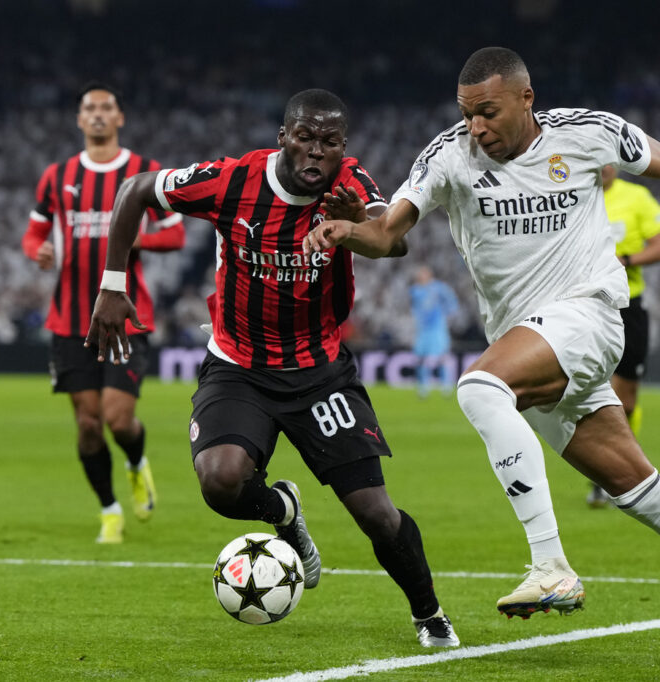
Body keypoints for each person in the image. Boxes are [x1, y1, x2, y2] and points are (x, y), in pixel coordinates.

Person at [303, 48, 660, 644]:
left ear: (526, 98)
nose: (476, 126)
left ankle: (550, 565)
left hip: (589, 315)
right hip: (528, 342)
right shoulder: (449, 155)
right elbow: (386, 233)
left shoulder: (585, 133)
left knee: (479, 388)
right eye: (467, 113)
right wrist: (349, 230)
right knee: (640, 493)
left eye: (488, 112)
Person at [85, 89, 459, 648]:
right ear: (284, 137)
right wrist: (113, 285)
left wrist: (352, 226)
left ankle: (429, 615)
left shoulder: (350, 183)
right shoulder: (230, 181)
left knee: (375, 514)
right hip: (238, 366)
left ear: (343, 147)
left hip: (319, 372)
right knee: (221, 481)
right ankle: (283, 509)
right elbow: (135, 189)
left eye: (329, 142)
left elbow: (392, 242)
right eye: (304, 137)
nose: (316, 151)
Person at [23, 82, 185, 544]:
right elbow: (33, 234)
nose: (97, 114)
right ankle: (110, 510)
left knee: (118, 419)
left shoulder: (145, 171)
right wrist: (37, 251)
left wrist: (138, 239)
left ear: (119, 118)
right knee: (88, 424)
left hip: (124, 315)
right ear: (79, 119)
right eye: (89, 108)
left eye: (105, 107)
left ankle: (136, 462)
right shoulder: (57, 176)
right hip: (69, 319)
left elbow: (175, 234)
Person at [586, 165, 660, 509]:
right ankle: (602, 476)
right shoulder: (575, 194)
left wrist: (626, 259)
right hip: (585, 305)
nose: (604, 167)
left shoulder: (637, 198)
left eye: (609, 161)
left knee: (627, 399)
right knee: (588, 392)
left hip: (627, 306)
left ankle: (619, 472)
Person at [409, 265, 459, 397]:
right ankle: (423, 386)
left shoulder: (438, 288)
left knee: (442, 357)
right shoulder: (415, 290)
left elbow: (452, 301)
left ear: (430, 275)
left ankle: (446, 385)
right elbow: (414, 308)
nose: (421, 276)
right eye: (420, 274)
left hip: (437, 328)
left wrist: (449, 315)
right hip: (422, 329)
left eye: (424, 273)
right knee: (420, 357)